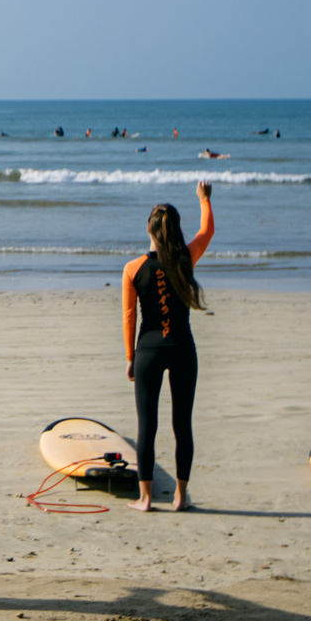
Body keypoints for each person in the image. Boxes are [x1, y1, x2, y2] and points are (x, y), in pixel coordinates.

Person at [121, 182, 214, 513]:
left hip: (148, 350)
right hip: (182, 348)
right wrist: (204, 199)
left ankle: (145, 499)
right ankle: (180, 496)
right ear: (175, 229)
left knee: (147, 424)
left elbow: (129, 318)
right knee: (181, 424)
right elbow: (208, 230)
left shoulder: (133, 269)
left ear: (148, 228)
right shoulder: (186, 258)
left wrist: (131, 358)